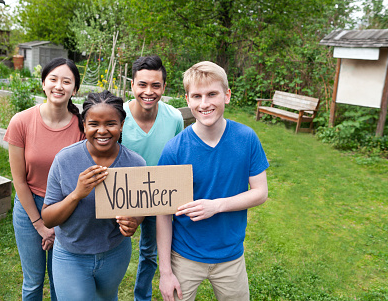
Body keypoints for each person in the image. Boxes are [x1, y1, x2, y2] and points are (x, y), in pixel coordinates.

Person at [156, 61, 269, 301]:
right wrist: (165, 272)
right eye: (196, 96)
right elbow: (163, 214)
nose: (204, 103)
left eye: (212, 94)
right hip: (184, 255)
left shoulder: (246, 138)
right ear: (187, 99)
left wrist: (216, 205)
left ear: (227, 95)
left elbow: (260, 192)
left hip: (231, 257)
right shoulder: (174, 150)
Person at [42, 90, 146, 300]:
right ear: (84, 124)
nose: (102, 131)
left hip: (115, 253)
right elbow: (48, 218)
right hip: (71, 254)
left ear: (122, 124)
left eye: (110, 123)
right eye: (94, 124)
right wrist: (76, 194)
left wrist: (134, 221)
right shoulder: (65, 160)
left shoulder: (135, 164)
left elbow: (140, 208)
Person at [4, 57, 85, 300]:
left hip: (67, 208)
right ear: (43, 83)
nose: (59, 86)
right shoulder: (21, 121)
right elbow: (19, 181)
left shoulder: (82, 126)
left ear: (75, 89)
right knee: (33, 282)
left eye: (66, 81)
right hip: (29, 207)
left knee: (61, 281)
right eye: (53, 79)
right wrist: (39, 224)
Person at [121, 55, 184, 301]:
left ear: (164, 87)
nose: (149, 92)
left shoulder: (174, 118)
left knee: (149, 252)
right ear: (132, 86)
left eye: (155, 85)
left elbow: (178, 158)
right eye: (142, 85)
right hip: (122, 194)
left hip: (158, 197)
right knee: (113, 248)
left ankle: (142, 296)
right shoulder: (119, 115)